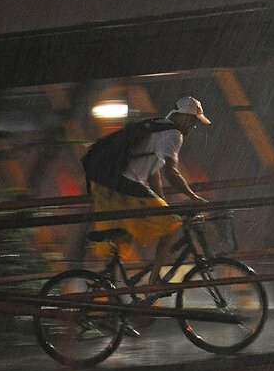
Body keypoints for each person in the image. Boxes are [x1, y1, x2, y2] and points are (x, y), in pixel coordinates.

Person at [89, 96, 210, 285]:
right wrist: (193, 196)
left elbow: (154, 171)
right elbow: (171, 171)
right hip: (126, 185)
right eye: (194, 122)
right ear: (184, 118)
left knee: (124, 234)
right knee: (172, 225)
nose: (193, 127)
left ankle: (109, 283)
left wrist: (161, 202)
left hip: (112, 183)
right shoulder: (174, 134)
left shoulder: (157, 125)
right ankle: (152, 282)